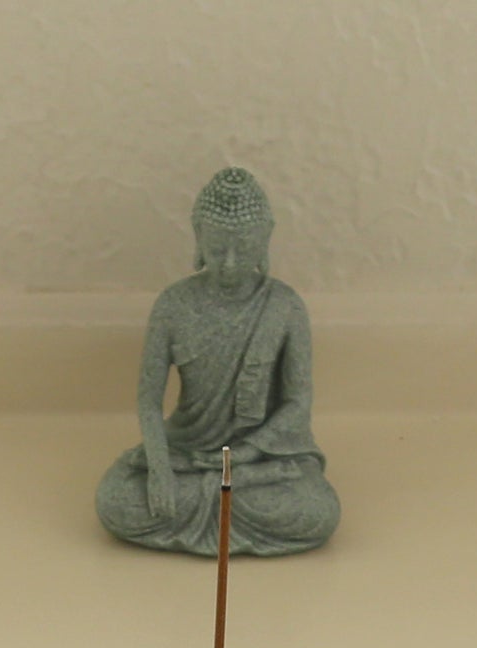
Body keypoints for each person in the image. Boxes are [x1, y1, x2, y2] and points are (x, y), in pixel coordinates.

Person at [96, 168, 340, 556]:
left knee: (318, 510)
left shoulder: (284, 307)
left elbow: (297, 403)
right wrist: (159, 470)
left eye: (242, 251)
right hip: (189, 451)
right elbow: (148, 400)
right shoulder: (173, 305)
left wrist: (247, 453)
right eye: (216, 249)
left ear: (264, 242)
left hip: (255, 459)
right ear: (198, 241)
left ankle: (221, 493)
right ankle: (221, 495)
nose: (228, 263)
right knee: (115, 500)